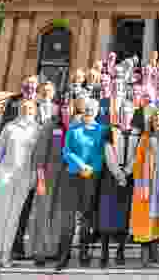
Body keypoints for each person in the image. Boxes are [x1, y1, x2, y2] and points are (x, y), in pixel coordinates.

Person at [55, 97, 107, 271]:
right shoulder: (73, 129)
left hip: (91, 177)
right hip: (72, 176)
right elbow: (66, 151)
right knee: (68, 218)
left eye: (93, 109)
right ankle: (63, 256)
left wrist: (91, 168)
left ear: (97, 112)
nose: (89, 111)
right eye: (87, 108)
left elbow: (101, 154)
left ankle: (84, 253)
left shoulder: (102, 130)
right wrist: (81, 165)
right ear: (83, 110)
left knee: (86, 217)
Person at [0, 99, 41, 271]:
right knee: (2, 216)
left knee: (14, 218)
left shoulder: (38, 129)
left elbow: (38, 157)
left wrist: (35, 177)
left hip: (25, 177)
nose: (27, 110)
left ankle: (5, 256)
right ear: (20, 109)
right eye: (24, 108)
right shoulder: (9, 127)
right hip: (6, 174)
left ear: (35, 110)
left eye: (30, 108)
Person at [30, 84, 67, 267]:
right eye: (64, 106)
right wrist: (40, 178)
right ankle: (39, 250)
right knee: (43, 212)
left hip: (66, 177)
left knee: (58, 213)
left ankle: (52, 249)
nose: (67, 109)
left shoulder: (72, 126)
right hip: (48, 175)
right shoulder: (50, 125)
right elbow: (39, 154)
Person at [96, 105, 137, 267]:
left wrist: (126, 172)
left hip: (128, 178)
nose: (126, 116)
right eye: (124, 113)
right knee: (107, 214)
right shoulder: (110, 131)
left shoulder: (136, 133)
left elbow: (136, 155)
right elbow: (108, 152)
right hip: (111, 176)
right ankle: (104, 252)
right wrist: (118, 174)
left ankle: (120, 250)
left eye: (129, 113)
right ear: (119, 115)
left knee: (124, 215)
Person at [130, 108, 159, 267]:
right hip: (146, 183)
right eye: (155, 121)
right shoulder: (145, 139)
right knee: (145, 218)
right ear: (151, 123)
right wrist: (142, 184)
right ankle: (144, 255)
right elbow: (138, 163)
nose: (158, 124)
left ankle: (155, 252)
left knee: (157, 218)